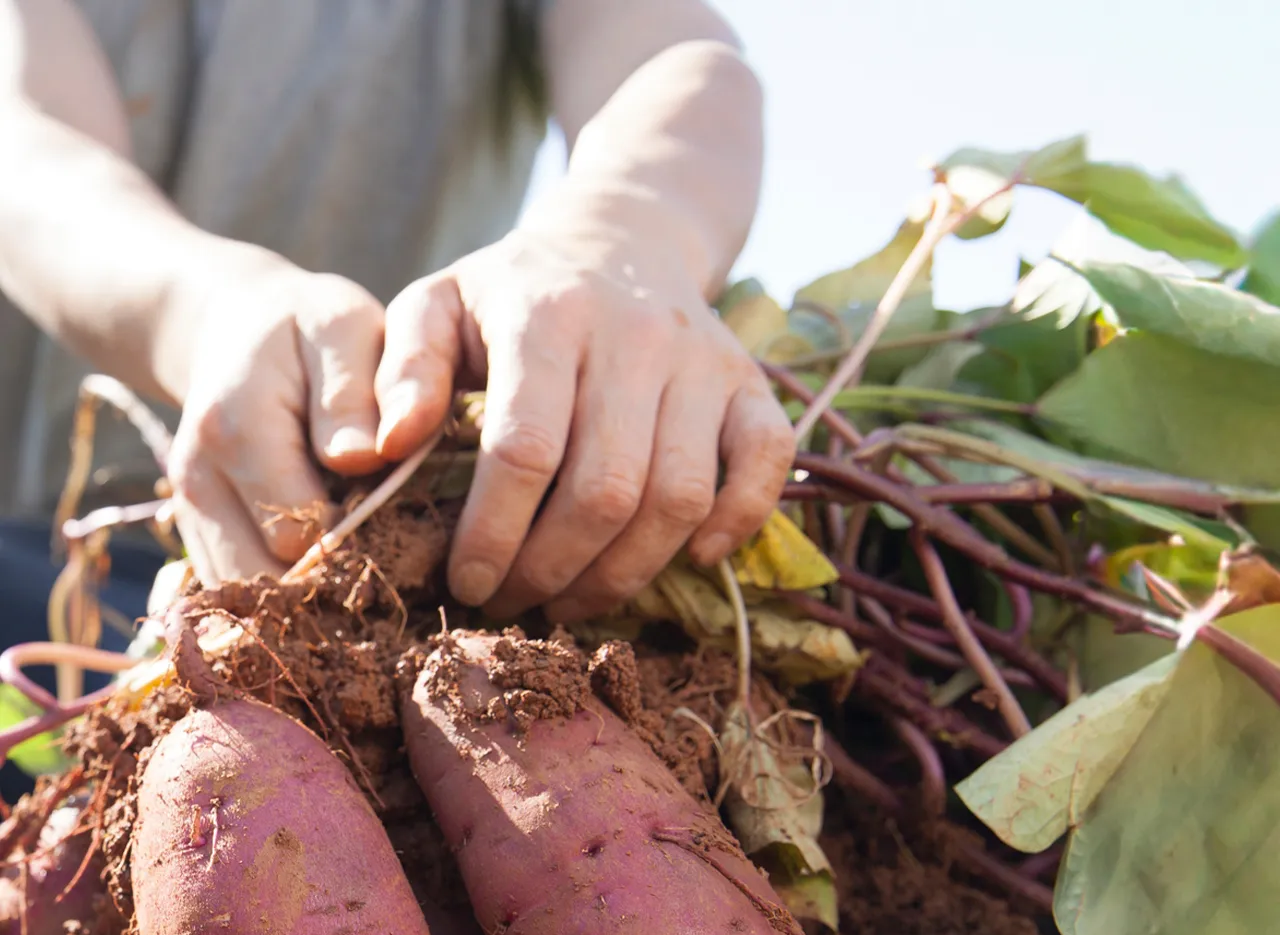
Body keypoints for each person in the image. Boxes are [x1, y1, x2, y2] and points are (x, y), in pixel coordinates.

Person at [0, 0, 794, 629]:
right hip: (47, 556)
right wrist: (201, 315)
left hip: (421, 566)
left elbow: (673, 57)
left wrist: (621, 235)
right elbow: (27, 145)